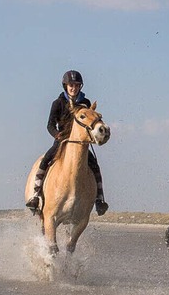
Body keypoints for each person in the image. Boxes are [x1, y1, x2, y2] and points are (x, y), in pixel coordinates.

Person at [27, 70, 108, 215]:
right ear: (66, 86)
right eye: (71, 85)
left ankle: (99, 199)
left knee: (94, 165)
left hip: (80, 142)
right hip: (62, 139)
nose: (74, 88)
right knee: (45, 160)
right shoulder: (58, 103)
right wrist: (56, 135)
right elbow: (50, 124)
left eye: (77, 85)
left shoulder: (85, 103)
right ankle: (36, 195)